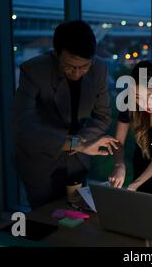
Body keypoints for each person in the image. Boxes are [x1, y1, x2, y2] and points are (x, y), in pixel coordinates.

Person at [14, 20, 118, 209]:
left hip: (79, 162)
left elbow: (102, 116)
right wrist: (79, 144)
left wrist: (81, 145)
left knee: (77, 218)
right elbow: (25, 129)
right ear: (56, 54)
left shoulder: (99, 68)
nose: (77, 73)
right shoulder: (33, 71)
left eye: (84, 66)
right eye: (70, 66)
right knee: (45, 220)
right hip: (41, 161)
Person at [108, 60, 152, 194]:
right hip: (141, 162)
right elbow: (119, 142)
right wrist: (119, 165)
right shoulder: (129, 102)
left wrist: (135, 184)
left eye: (151, 96)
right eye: (138, 97)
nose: (145, 103)